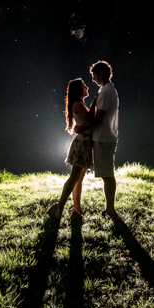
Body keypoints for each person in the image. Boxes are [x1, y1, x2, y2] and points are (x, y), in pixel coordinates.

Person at [49, 78, 95, 219]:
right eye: (83, 86)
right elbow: (92, 120)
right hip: (82, 143)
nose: (86, 87)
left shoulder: (80, 104)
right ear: (78, 90)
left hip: (85, 142)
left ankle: (76, 207)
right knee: (75, 176)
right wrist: (96, 102)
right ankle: (59, 207)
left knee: (79, 177)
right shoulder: (78, 104)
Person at [87, 60, 120, 217]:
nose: (93, 79)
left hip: (103, 137)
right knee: (107, 174)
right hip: (106, 136)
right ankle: (109, 208)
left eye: (94, 76)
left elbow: (98, 118)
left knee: (107, 174)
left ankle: (110, 210)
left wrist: (83, 128)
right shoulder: (107, 91)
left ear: (101, 74)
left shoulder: (106, 93)